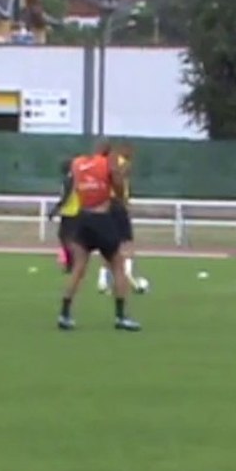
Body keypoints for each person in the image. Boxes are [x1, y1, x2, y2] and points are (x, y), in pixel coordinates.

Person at [58, 141, 141, 332]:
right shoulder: (108, 163)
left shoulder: (78, 163)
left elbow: (74, 185)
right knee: (118, 266)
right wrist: (120, 198)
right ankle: (121, 317)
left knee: (78, 268)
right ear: (109, 152)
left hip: (82, 218)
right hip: (102, 218)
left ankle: (64, 314)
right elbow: (118, 183)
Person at [97, 144, 144, 294]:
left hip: (106, 207)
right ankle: (127, 276)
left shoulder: (101, 166)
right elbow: (120, 180)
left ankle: (103, 280)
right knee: (127, 242)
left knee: (109, 246)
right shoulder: (120, 164)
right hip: (116, 206)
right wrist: (124, 203)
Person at [47, 159, 79, 274]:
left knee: (66, 238)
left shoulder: (68, 180)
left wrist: (55, 210)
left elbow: (66, 197)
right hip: (71, 212)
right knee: (66, 238)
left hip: (70, 212)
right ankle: (71, 263)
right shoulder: (72, 180)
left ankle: (72, 263)